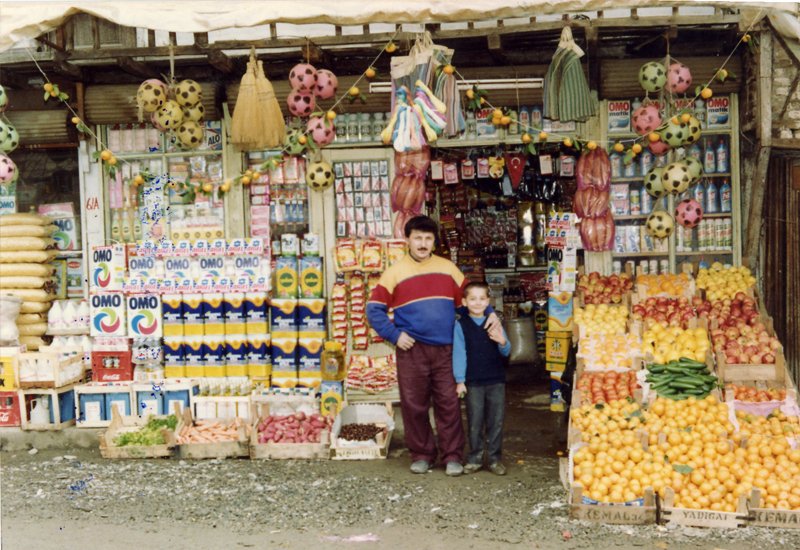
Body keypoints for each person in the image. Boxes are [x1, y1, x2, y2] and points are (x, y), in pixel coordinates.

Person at [367, 215, 500, 476]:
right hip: (412, 350)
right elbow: (374, 310)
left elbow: (471, 297)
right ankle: (422, 454)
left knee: (448, 403)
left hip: (446, 349)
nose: (423, 243)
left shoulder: (447, 268)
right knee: (414, 404)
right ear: (407, 240)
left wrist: (490, 313)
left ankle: (452, 456)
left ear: (434, 241)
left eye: (428, 238)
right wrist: (394, 336)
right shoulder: (394, 272)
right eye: (417, 237)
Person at [452, 282, 511, 475]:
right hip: (473, 382)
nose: (477, 303)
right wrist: (460, 380)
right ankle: (475, 458)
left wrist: (502, 341)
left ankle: (494, 459)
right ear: (464, 302)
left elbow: (507, 349)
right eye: (472, 299)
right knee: (475, 421)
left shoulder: (494, 321)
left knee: (496, 421)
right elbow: (459, 353)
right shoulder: (461, 325)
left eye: (482, 299)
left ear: (488, 301)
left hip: (496, 380)